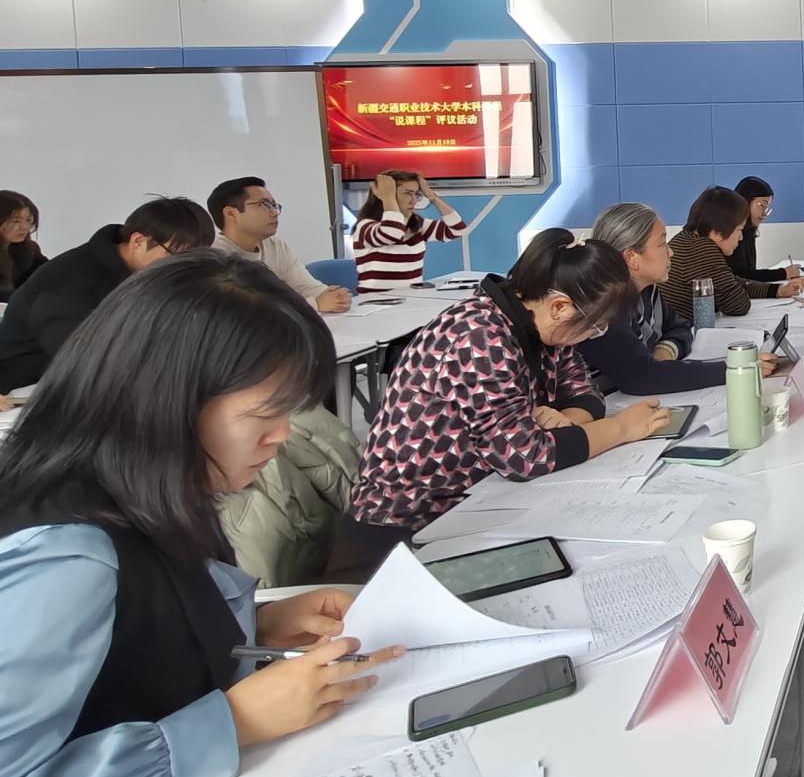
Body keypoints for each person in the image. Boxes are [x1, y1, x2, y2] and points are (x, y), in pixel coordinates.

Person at [0, 253, 403, 777]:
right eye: (264, 416)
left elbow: (130, 635)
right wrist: (232, 723)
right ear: (166, 404)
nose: (281, 438)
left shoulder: (144, 485)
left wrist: (255, 624)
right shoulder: (64, 560)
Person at [327, 230, 677, 577]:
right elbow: (525, 456)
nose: (592, 335)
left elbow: (586, 393)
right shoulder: (478, 336)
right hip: (401, 531)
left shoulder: (541, 324)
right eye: (595, 326)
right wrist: (620, 429)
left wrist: (566, 422)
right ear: (559, 307)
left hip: (475, 506)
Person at [0, 197, 213, 393]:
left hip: (81, 380)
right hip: (26, 383)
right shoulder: (72, 278)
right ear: (138, 241)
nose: (182, 269)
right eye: (177, 258)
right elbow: (77, 353)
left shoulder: (145, 274)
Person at [582, 202, 776, 396]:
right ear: (632, 257)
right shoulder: (602, 307)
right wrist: (735, 369)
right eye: (662, 244)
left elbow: (681, 327)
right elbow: (642, 377)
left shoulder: (648, 291)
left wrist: (665, 351)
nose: (671, 252)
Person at [208, 176, 351, 314]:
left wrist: (335, 296)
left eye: (274, 205)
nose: (275, 212)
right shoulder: (213, 256)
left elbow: (307, 287)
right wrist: (315, 304)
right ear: (231, 214)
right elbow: (242, 312)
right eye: (263, 205)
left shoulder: (275, 245)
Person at [664, 186, 804, 319]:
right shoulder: (704, 252)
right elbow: (739, 305)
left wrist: (778, 290)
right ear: (716, 232)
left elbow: (733, 281)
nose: (741, 237)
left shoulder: (686, 239)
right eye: (739, 230)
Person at [351, 170, 467, 292]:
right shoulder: (365, 226)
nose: (414, 200)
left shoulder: (417, 224)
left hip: (410, 298)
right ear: (385, 194)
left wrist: (432, 196)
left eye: (416, 194)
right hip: (375, 299)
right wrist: (388, 198)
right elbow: (392, 233)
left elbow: (458, 230)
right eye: (407, 193)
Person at [727, 176, 802, 285]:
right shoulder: (731, 232)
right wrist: (783, 273)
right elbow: (742, 274)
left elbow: (749, 275)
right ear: (745, 201)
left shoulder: (749, 230)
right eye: (762, 205)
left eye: (767, 207)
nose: (764, 213)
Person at [0, 191, 44, 304]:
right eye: (16, 221)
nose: (25, 227)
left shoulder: (29, 251)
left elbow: (49, 275)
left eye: (28, 220)